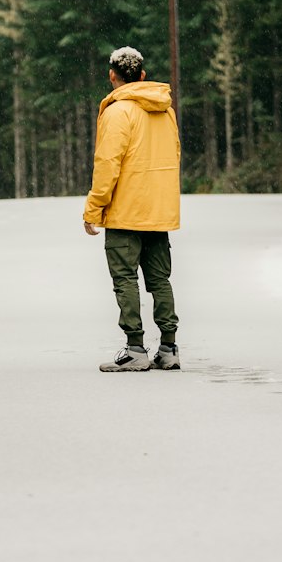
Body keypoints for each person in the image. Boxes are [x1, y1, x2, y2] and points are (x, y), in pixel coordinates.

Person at [83, 45, 181, 371]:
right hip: (159, 210)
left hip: (126, 211)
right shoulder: (165, 110)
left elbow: (107, 164)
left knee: (125, 278)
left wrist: (94, 209)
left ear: (112, 76)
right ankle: (169, 348)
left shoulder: (117, 112)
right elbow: (175, 153)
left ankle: (135, 349)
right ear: (142, 75)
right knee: (159, 280)